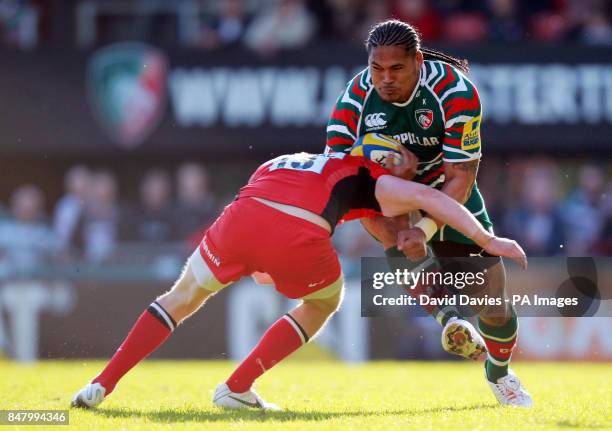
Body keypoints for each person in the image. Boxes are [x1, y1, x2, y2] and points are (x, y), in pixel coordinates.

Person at [71, 147, 526, 411]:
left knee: (183, 295)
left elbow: (261, 199)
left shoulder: (293, 158)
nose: (405, 163)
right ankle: (236, 387)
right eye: (402, 157)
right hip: (294, 232)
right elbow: (434, 199)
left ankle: (101, 385)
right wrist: (487, 238)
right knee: (326, 302)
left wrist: (259, 259)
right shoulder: (373, 177)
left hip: (241, 216)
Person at [325, 19, 532, 406]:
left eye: (396, 68)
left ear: (417, 61)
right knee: (387, 228)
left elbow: (462, 178)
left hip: (448, 191)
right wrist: (399, 212)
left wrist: (426, 225)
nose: (385, 79)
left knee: (494, 304)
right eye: (376, 69)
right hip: (386, 193)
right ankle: (448, 317)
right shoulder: (353, 101)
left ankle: (498, 373)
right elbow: (338, 179)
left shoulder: (455, 92)